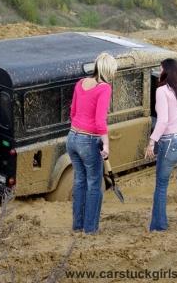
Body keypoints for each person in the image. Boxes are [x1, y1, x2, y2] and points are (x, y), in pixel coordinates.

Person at [67, 52, 117, 234]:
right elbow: (100, 121)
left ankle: (78, 225)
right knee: (94, 184)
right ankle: (90, 229)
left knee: (80, 181)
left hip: (72, 138)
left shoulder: (80, 83)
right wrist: (106, 145)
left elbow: (72, 112)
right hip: (88, 141)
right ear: (108, 70)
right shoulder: (105, 88)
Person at [145, 58, 177, 232]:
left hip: (171, 143)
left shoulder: (162, 90)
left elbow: (163, 121)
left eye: (160, 69)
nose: (159, 72)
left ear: (167, 71)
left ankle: (159, 225)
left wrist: (152, 142)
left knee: (161, 185)